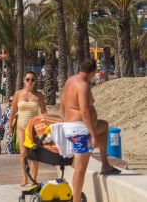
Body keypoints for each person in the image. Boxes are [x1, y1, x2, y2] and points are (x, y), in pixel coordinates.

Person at [58, 59, 121, 202]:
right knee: (81, 169)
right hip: (80, 130)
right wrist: (92, 135)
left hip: (70, 126)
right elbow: (85, 112)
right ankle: (76, 199)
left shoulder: (70, 81)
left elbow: (62, 101)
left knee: (104, 126)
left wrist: (64, 120)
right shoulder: (83, 85)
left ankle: (105, 164)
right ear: (93, 73)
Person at [9, 70, 47, 186]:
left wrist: (45, 126)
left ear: (35, 81)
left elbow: (44, 111)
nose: (30, 82)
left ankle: (34, 180)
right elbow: (13, 111)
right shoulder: (18, 94)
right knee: (23, 153)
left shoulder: (39, 95)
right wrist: (10, 126)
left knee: (35, 155)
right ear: (24, 80)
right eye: (28, 79)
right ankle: (24, 178)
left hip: (34, 129)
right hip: (21, 127)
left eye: (32, 80)